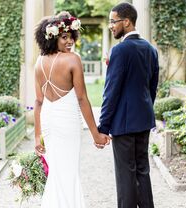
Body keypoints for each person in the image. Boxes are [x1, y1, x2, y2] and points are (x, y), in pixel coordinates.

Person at [33, 11, 110, 208]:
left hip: (49, 122)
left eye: (71, 37)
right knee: (68, 172)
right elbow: (82, 98)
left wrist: (37, 136)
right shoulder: (73, 60)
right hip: (67, 123)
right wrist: (96, 135)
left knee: (58, 172)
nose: (70, 42)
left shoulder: (39, 63)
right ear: (53, 38)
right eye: (64, 37)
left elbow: (39, 102)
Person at [98, 2, 159, 208]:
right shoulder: (151, 49)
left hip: (123, 124)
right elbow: (152, 88)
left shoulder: (120, 50)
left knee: (126, 177)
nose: (111, 26)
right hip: (143, 121)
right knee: (142, 171)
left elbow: (111, 92)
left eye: (113, 22)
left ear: (126, 21)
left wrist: (103, 127)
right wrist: (144, 110)